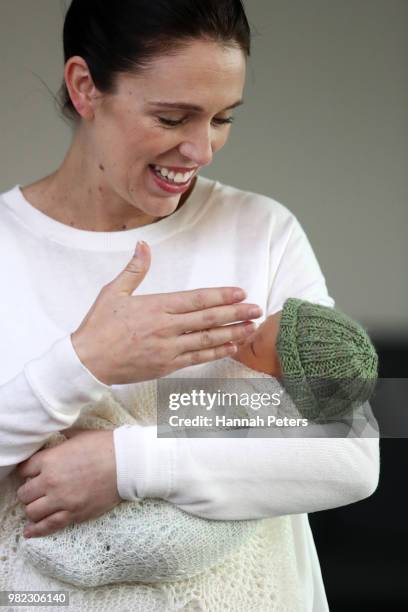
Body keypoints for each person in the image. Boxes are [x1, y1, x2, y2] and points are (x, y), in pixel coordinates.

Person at [0, 1, 379, 610]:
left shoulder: (260, 231)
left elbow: (349, 456)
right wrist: (83, 362)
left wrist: (128, 463)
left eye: (223, 118)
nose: (201, 150)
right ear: (84, 87)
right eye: (173, 117)